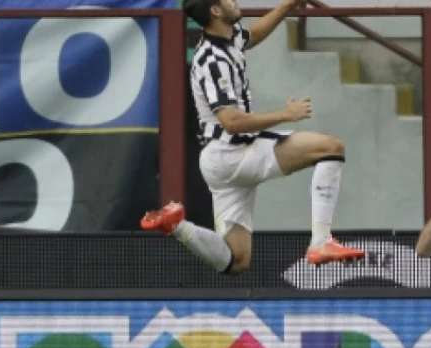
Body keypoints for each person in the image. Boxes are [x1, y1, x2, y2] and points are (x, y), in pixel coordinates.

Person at [140, 0, 365, 274]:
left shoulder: (229, 36)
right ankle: (321, 241)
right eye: (227, 0)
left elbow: (254, 34)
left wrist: (288, 5)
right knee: (331, 147)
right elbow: (231, 121)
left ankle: (177, 226)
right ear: (216, 11)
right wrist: (285, 114)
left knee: (236, 261)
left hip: (221, 162)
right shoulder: (212, 59)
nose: (234, 1)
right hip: (233, 153)